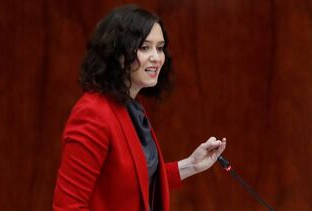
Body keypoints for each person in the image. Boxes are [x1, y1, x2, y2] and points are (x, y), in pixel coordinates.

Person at [53, 4, 226, 211]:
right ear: (117, 53)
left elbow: (136, 182)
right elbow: (68, 207)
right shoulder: (93, 113)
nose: (156, 57)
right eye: (145, 47)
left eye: (160, 47)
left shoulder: (131, 107)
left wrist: (191, 165)